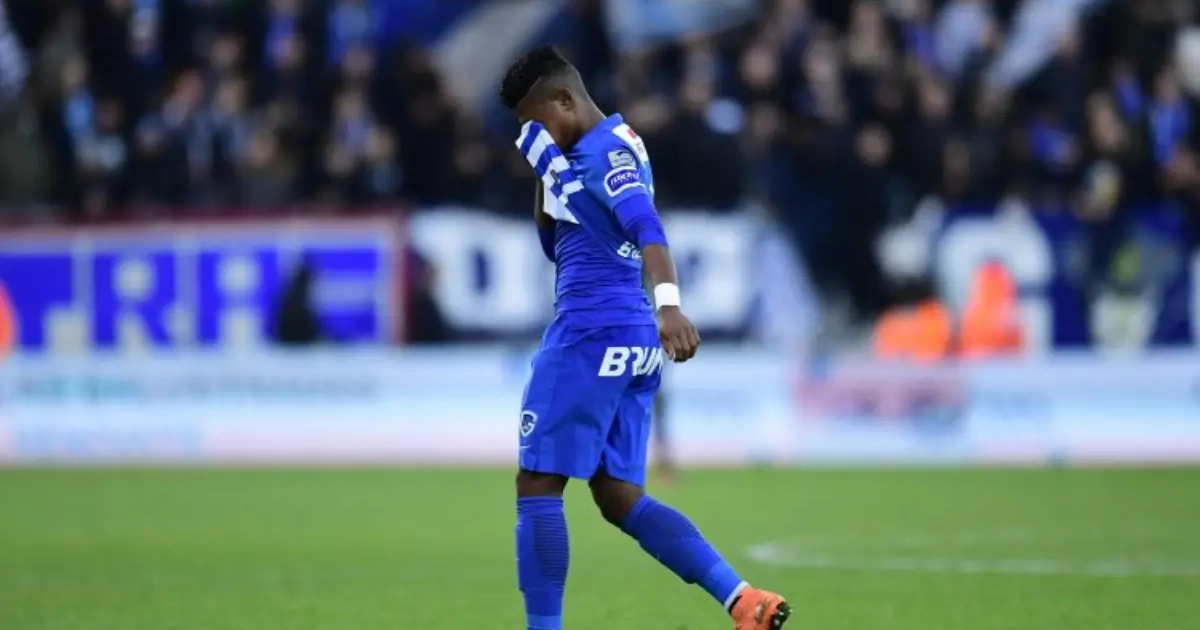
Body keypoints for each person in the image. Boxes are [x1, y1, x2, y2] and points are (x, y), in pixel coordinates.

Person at [501, 46, 790, 630]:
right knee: (618, 497)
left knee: (537, 483)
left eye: (537, 121)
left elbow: (646, 226)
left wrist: (671, 306)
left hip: (590, 331)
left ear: (565, 100)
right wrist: (546, 173)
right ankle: (743, 601)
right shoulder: (596, 149)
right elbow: (557, 246)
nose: (534, 134)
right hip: (628, 338)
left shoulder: (605, 154)